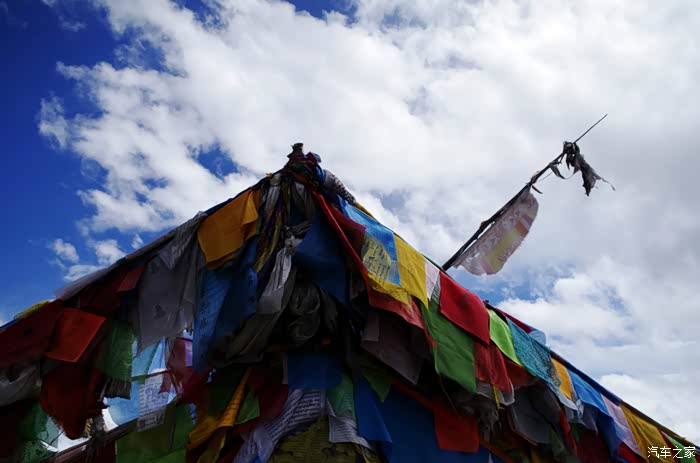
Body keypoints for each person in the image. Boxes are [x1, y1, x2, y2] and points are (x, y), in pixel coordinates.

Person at [284, 142, 357, 205]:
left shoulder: (306, 161)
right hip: (324, 181)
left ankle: (358, 209)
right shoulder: (294, 164)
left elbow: (316, 164)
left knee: (347, 198)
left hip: (328, 180)